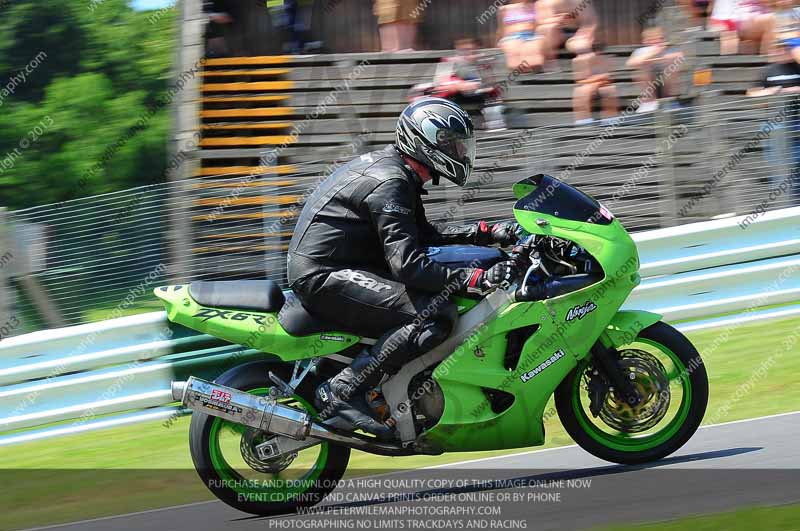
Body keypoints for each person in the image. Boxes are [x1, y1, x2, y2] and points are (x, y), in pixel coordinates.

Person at [286, 98, 522, 437]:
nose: (459, 150)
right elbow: (409, 265)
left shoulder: (399, 172)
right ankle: (343, 391)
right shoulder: (391, 182)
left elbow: (422, 236)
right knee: (434, 316)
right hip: (324, 274)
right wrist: (474, 278)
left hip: (340, 265)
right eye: (451, 143)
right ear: (426, 141)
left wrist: (484, 234)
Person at [410, 38, 507, 130]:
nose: (468, 54)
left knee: (492, 95)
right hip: (454, 99)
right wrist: (458, 84)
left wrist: (479, 85)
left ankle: (495, 125)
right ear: (457, 51)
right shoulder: (449, 62)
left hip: (477, 98)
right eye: (464, 51)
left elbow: (490, 85)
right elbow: (441, 84)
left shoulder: (482, 63)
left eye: (472, 51)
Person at [748, 40, 800, 203]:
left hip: (796, 123)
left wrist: (787, 91)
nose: (781, 50)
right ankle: (784, 205)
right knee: (779, 167)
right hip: (775, 124)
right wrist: (773, 92)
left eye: (785, 47)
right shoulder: (768, 70)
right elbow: (752, 94)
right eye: (778, 47)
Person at [626, 27, 685, 113]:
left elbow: (681, 56)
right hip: (648, 84)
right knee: (640, 70)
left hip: (667, 83)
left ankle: (669, 101)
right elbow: (630, 63)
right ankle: (649, 102)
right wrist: (652, 54)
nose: (657, 41)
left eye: (660, 38)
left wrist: (665, 57)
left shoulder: (669, 49)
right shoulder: (641, 51)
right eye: (653, 39)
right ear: (645, 41)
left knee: (673, 67)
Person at [537, 0, 598, 70]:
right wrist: (557, 20)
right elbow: (541, 22)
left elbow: (589, 23)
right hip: (555, 35)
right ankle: (550, 65)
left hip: (576, 33)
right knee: (547, 28)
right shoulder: (543, 3)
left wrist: (583, 34)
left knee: (581, 46)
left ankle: (588, 72)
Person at [572, 42, 619, 125]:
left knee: (609, 90)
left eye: (600, 51)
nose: (597, 53)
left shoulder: (606, 60)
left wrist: (597, 82)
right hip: (588, 85)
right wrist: (595, 82)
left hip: (603, 84)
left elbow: (609, 77)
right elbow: (580, 80)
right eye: (595, 50)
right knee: (582, 91)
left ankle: (611, 119)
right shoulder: (581, 61)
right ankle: (584, 120)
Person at [708, 0, 773, 54]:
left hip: (748, 26)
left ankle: (766, 60)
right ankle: (766, 61)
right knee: (770, 20)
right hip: (734, 24)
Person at [497, 0, 544, 72]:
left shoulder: (533, 6)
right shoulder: (504, 9)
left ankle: (533, 69)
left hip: (530, 35)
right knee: (513, 47)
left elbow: (537, 24)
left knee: (533, 49)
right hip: (512, 36)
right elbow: (501, 28)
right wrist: (500, 40)